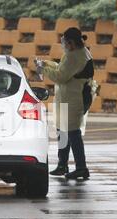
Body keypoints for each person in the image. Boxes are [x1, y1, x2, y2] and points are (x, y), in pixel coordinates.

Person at [37, 27, 94, 181]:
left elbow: (60, 76)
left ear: (72, 43)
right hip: (67, 98)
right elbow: (63, 69)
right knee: (62, 131)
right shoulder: (77, 53)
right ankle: (63, 165)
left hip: (74, 99)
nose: (63, 45)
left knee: (73, 133)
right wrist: (48, 64)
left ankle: (81, 168)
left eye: (65, 42)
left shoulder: (74, 57)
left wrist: (44, 69)